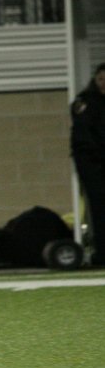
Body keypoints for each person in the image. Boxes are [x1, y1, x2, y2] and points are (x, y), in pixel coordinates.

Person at [70, 62, 105, 265]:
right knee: (99, 209)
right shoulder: (85, 102)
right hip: (94, 165)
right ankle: (101, 253)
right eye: (100, 79)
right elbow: (84, 137)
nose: (103, 83)